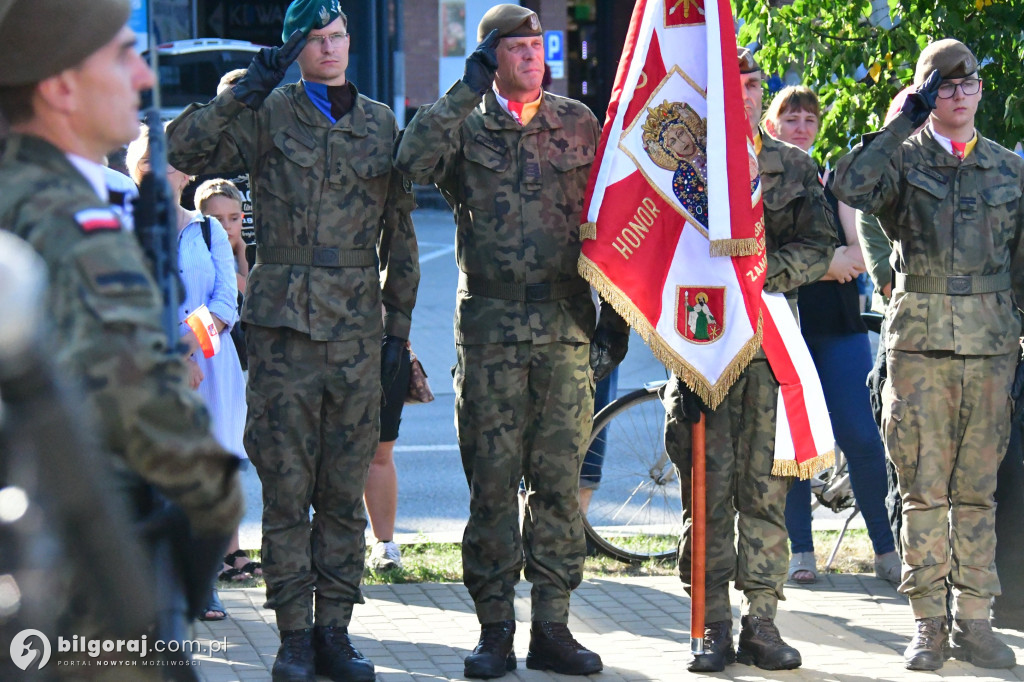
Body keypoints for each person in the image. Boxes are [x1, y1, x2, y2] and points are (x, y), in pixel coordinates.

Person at [166, 1, 419, 679]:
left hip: (358, 332)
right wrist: (248, 86)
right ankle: (293, 637)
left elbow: (400, 234)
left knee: (341, 492)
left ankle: (335, 631)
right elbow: (179, 149)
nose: (330, 49)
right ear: (294, 50)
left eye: (337, 36)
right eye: (315, 40)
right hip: (283, 333)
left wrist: (398, 332)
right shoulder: (266, 113)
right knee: (286, 490)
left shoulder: (379, 123)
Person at [0, 0, 243, 659]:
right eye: (121, 54)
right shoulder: (68, 221)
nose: (141, 76)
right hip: (79, 588)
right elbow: (152, 417)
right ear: (60, 87)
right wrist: (214, 504)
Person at [395, 5, 627, 678]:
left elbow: (611, 221)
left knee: (557, 485)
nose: (533, 56)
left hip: (563, 328)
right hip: (490, 332)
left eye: (536, 46)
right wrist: (463, 89)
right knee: (492, 487)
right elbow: (409, 162)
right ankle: (494, 628)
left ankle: (551, 627)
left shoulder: (577, 122)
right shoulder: (464, 124)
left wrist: (610, 324)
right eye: (517, 48)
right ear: (491, 56)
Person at [834, 38, 1023, 672]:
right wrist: (898, 123)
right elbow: (849, 186)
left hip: (991, 347)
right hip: (918, 346)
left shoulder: (1008, 169)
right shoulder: (901, 160)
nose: (961, 96)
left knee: (977, 493)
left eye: (968, 85)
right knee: (922, 493)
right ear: (924, 96)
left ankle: (974, 621)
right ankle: (927, 626)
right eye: (944, 87)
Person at [661, 48, 835, 674]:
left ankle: (762, 620)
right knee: (706, 493)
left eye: (756, 83)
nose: (748, 93)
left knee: (765, 490)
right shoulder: (679, 168)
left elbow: (819, 244)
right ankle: (710, 625)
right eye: (734, 83)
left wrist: (764, 276)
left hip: (765, 344)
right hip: (703, 343)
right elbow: (655, 250)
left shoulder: (790, 166)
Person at [762, 86, 900, 587]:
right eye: (790, 118)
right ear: (772, 124)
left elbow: (858, 256)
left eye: (808, 119)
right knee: (794, 443)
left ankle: (886, 552)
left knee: (861, 439)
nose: (800, 126)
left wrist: (810, 265)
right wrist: (825, 265)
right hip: (785, 324)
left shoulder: (832, 180)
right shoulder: (763, 180)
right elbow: (759, 261)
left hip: (837, 325)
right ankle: (802, 552)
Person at [366, 337, 412, 572]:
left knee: (381, 451)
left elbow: (404, 300)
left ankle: (384, 544)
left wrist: (395, 336)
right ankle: (328, 545)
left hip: (385, 345)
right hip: (324, 345)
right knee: (327, 452)